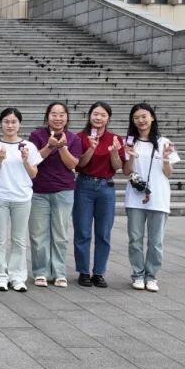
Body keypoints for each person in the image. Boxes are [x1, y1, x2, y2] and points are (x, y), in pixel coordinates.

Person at [124, 103, 179, 292]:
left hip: (159, 198)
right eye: (136, 117)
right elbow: (127, 171)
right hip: (135, 198)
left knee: (156, 241)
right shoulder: (130, 142)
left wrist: (166, 158)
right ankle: (138, 275)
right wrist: (131, 156)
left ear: (152, 117)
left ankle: (152, 276)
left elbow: (168, 173)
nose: (141, 120)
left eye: (144, 116)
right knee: (135, 239)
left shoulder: (164, 142)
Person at [29, 102, 84, 288]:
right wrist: (49, 146)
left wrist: (62, 147)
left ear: (67, 117)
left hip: (64, 191)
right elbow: (32, 161)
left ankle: (59, 272)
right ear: (47, 116)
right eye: (54, 114)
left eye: (61, 115)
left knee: (60, 234)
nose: (57, 118)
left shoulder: (73, 138)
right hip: (39, 191)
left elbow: (72, 165)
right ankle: (41, 272)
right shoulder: (37, 135)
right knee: (38, 234)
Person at [0, 108, 41, 292]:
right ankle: (0, 276)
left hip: (22, 198)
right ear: (1, 124)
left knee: (19, 240)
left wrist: (25, 160)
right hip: (0, 197)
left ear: (19, 124)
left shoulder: (29, 146)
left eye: (13, 122)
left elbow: (33, 174)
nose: (10, 125)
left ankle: (17, 276)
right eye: (6, 122)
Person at [73, 101, 126, 288]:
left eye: (103, 115)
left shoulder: (115, 138)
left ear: (108, 118)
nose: (98, 118)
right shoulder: (80, 137)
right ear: (89, 116)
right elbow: (79, 165)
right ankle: (83, 271)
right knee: (83, 231)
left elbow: (118, 166)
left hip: (106, 188)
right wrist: (91, 148)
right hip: (84, 185)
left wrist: (114, 152)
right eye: (95, 114)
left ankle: (99, 272)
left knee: (103, 232)